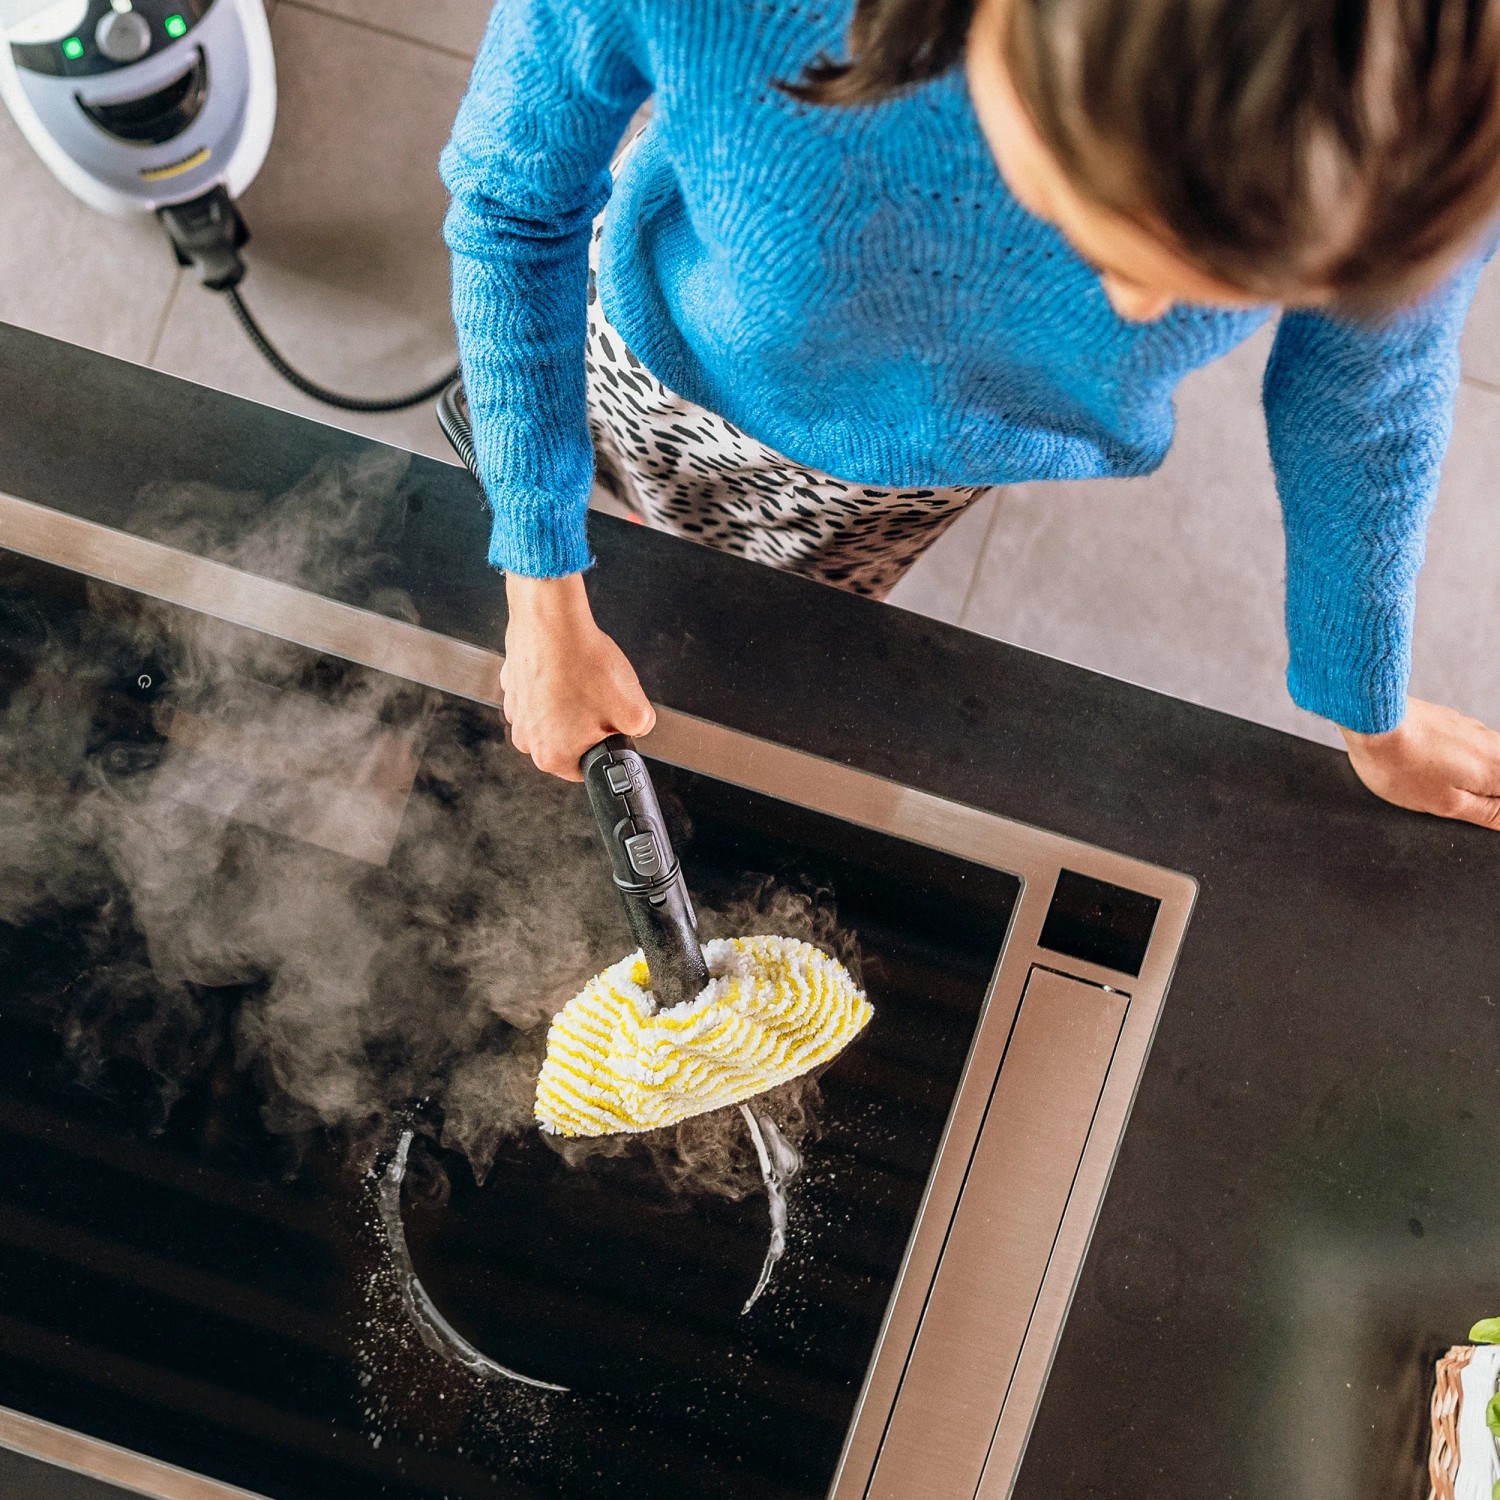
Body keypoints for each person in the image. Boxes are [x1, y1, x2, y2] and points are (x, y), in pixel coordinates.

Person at [441, 0, 1500, 828]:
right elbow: (512, 208)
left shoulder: (1423, 102)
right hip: (654, 353)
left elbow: (1367, 396)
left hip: (908, 477)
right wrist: (542, 592)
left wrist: (1368, 707)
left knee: (753, 616)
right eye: (1103, 237)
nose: (1138, 314)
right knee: (565, 478)